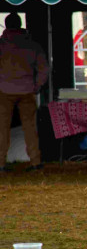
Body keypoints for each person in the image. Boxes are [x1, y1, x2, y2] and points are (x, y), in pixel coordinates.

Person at [0, 14, 49, 172]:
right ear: (20, 25)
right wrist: (37, 85)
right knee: (30, 128)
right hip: (27, 90)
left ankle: (1, 163)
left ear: (6, 26)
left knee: (2, 128)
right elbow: (43, 69)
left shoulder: (1, 44)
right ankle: (35, 162)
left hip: (4, 91)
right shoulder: (32, 45)